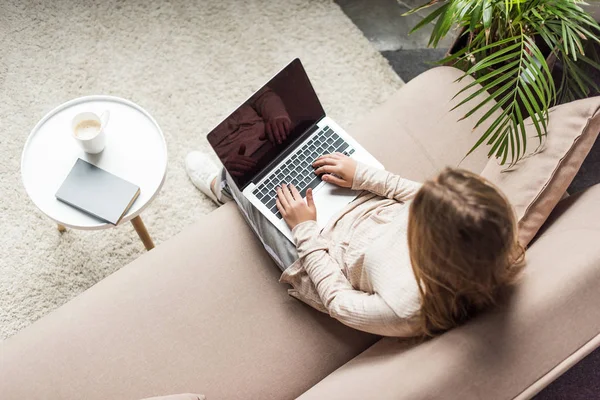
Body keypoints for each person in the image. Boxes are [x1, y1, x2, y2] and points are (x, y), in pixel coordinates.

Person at [185, 151, 524, 337]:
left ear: (428, 242)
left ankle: (224, 189)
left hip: (323, 257)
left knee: (245, 173)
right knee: (300, 147)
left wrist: (305, 231)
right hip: (365, 208)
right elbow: (425, 195)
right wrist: (361, 174)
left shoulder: (402, 309)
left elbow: (337, 301)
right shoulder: (486, 228)